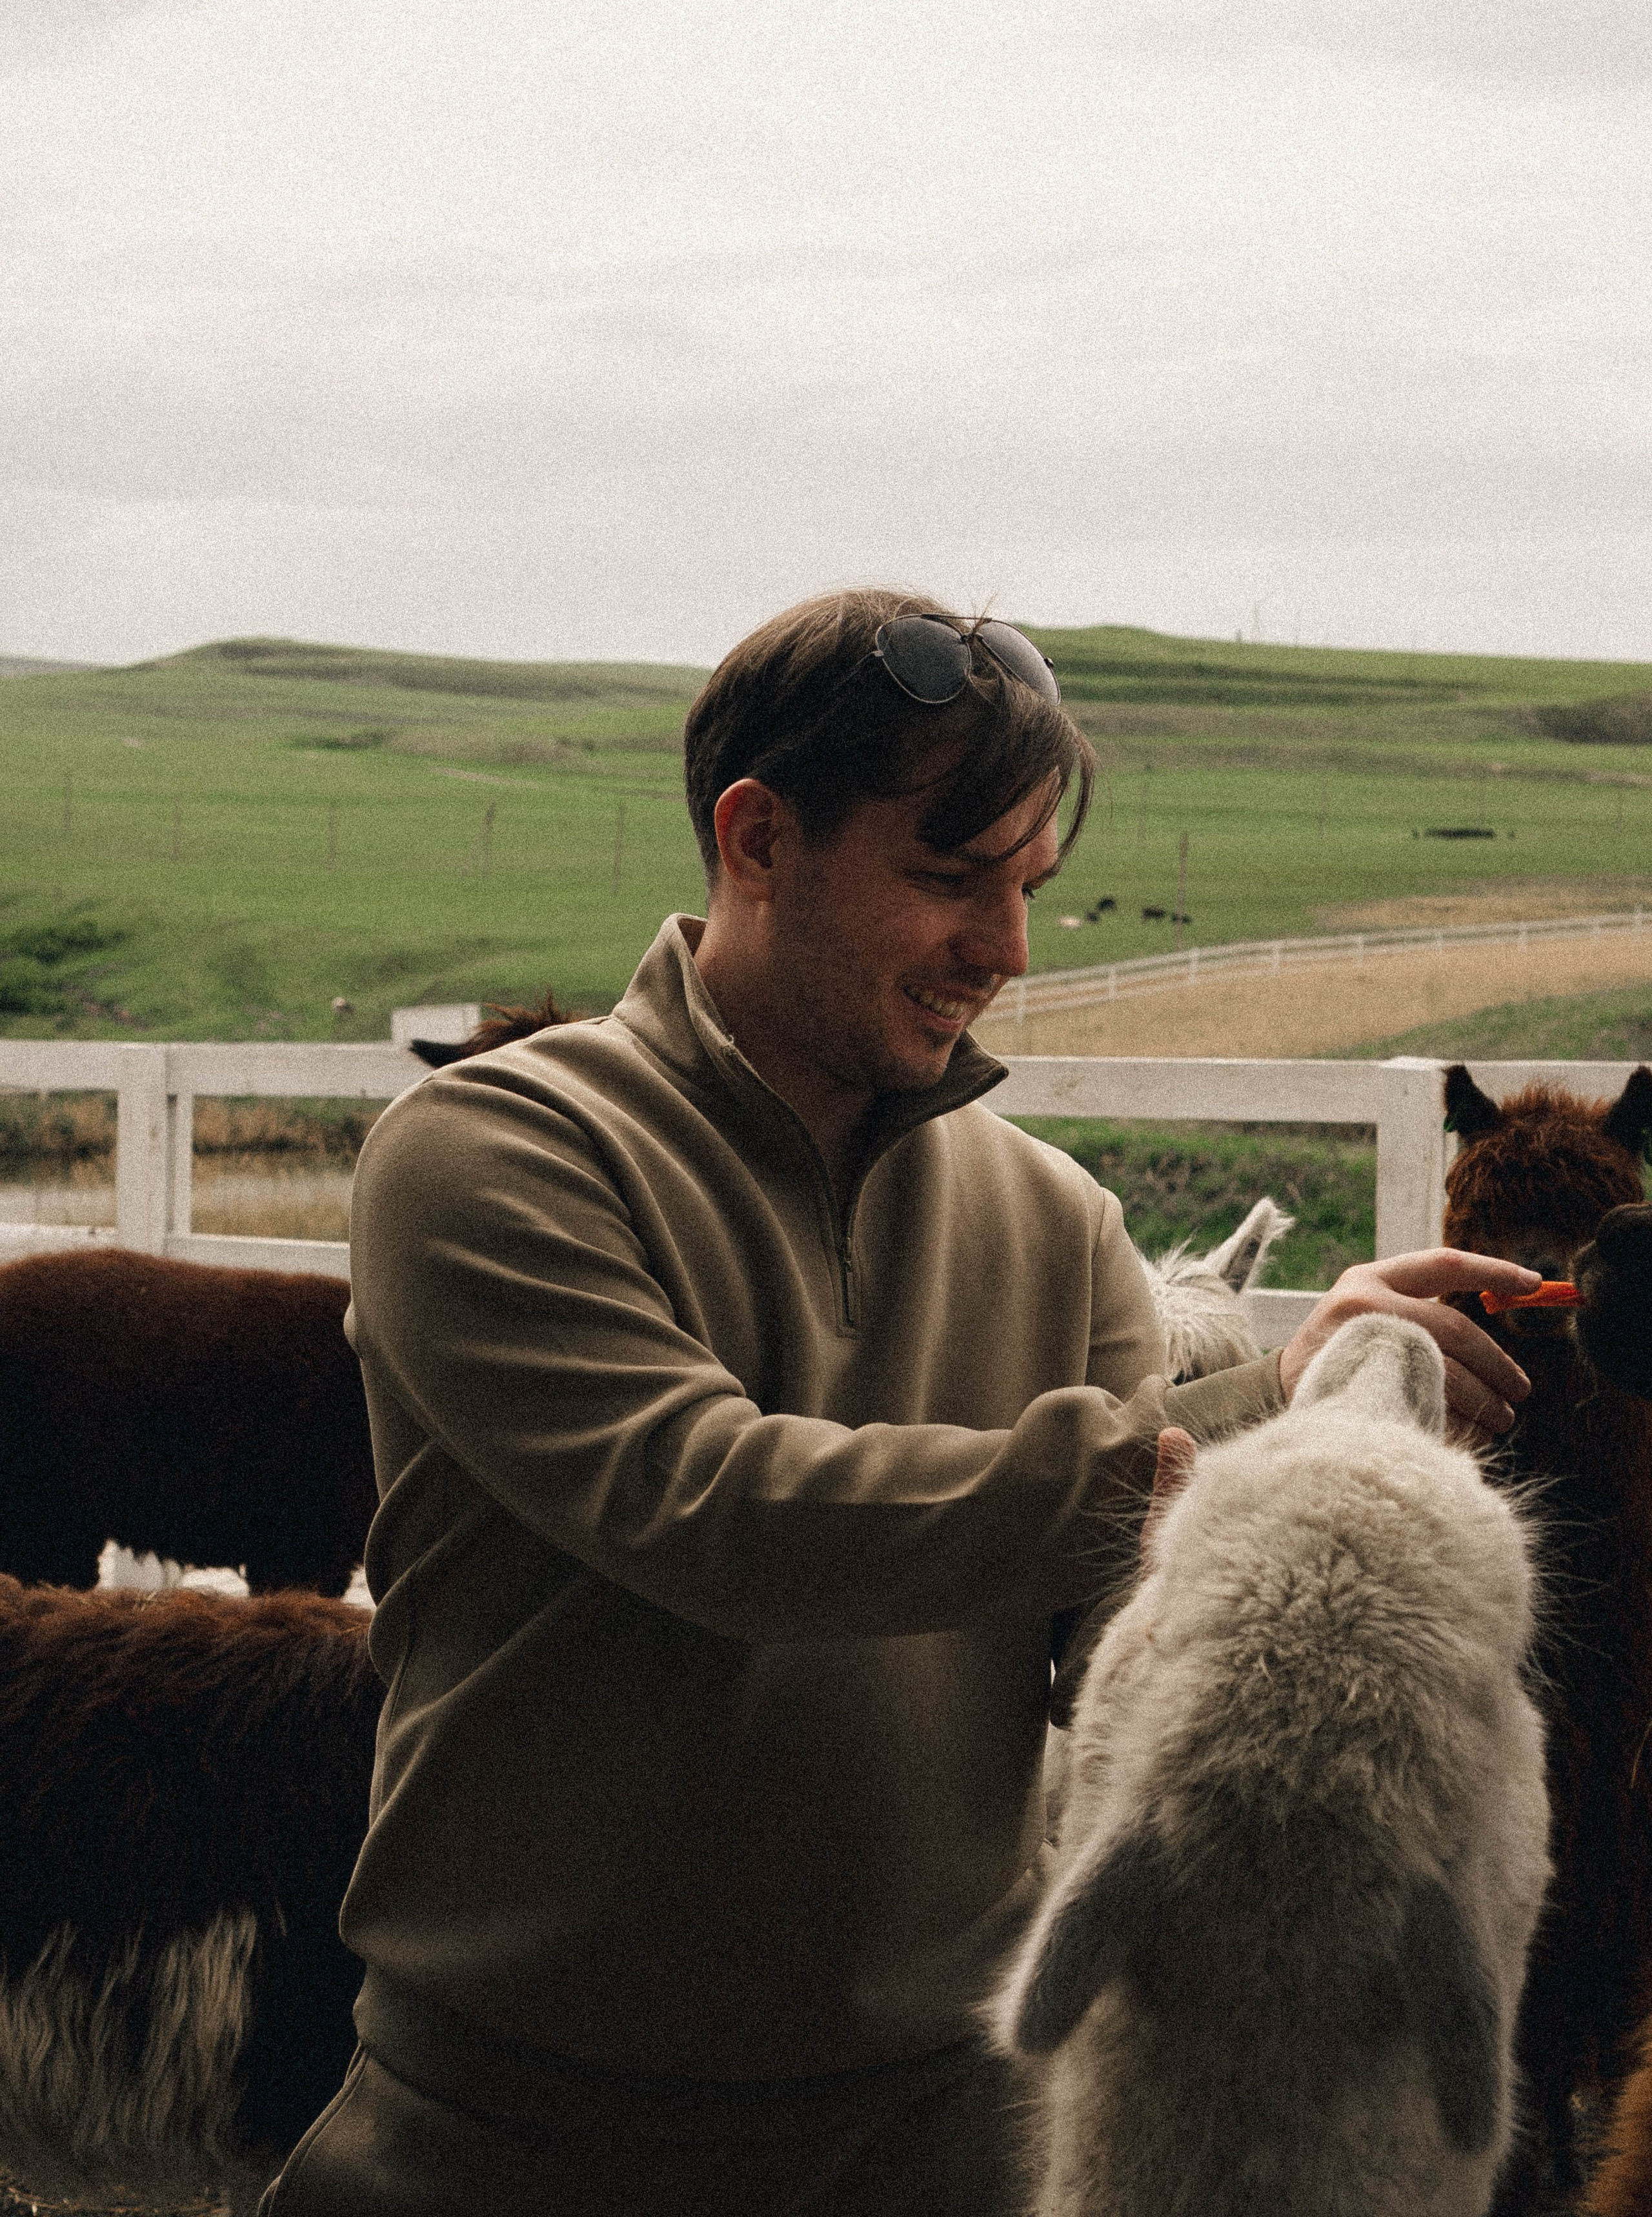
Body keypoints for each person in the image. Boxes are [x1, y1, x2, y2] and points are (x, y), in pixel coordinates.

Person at [261, 591, 1535, 2217]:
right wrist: (1250, 1411)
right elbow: (720, 1511)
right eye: (947, 876)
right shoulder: (491, 1153)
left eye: (1025, 889)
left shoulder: (1054, 1220)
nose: (1003, 951)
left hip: (944, 2138)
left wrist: (1320, 1457)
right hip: (513, 2138)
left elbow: (1106, 1648)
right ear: (756, 837)